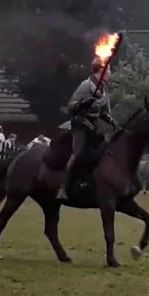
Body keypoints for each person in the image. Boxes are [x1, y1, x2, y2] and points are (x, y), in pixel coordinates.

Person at [57, 58, 116, 200]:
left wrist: (112, 121)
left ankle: (91, 181)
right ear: (100, 71)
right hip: (81, 124)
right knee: (78, 153)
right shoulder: (85, 86)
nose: (110, 72)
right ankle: (62, 188)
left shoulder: (103, 89)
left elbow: (103, 112)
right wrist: (83, 103)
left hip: (94, 126)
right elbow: (71, 106)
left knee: (101, 150)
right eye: (108, 70)